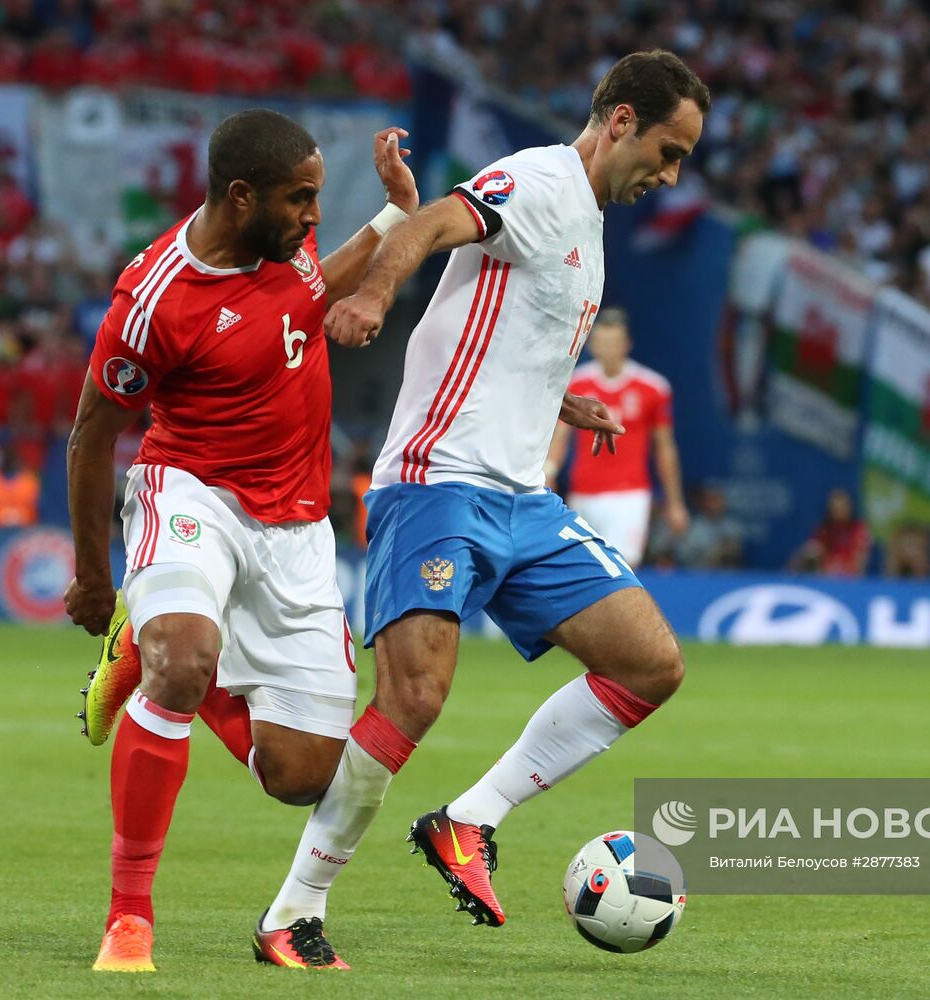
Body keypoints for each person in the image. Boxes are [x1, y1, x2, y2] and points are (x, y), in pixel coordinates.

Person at [269, 49, 709, 932]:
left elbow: (511, 327)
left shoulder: (585, 222)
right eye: (667, 152)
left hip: (522, 497)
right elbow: (432, 222)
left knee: (650, 664)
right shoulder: (540, 180)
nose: (667, 176)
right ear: (620, 120)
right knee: (414, 698)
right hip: (437, 481)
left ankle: (469, 819)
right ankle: (295, 912)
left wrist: (561, 397)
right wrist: (378, 296)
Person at [64, 108, 419, 972]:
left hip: (296, 525)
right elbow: (90, 434)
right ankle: (129, 918)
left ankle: (144, 657)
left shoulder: (277, 244)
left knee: (297, 777)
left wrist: (395, 216)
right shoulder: (151, 302)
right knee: (181, 664)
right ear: (240, 195)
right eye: (302, 201)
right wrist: (92, 577)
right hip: (193, 494)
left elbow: (306, 294)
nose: (310, 217)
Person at [544, 306, 689, 565]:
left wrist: (674, 502)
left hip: (629, 494)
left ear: (627, 344)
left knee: (623, 566)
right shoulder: (576, 384)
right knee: (582, 567)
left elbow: (664, 447)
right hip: (584, 491)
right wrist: (550, 472)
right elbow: (560, 436)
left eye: (614, 342)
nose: (607, 349)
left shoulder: (652, 387)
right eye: (602, 341)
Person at [788, 488, 873, 576]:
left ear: (849, 507)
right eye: (835, 508)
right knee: (810, 551)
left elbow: (860, 561)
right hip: (825, 577)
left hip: (849, 578)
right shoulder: (825, 529)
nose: (838, 511)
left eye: (842, 508)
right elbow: (812, 550)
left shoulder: (859, 529)